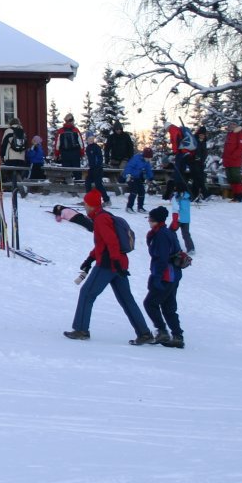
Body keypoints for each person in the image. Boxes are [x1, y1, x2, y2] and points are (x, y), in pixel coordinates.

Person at [64, 189, 154, 344]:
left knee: (87, 293)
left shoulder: (101, 219)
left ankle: (81, 329)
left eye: (86, 203)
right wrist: (90, 259)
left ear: (91, 205)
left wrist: (114, 262)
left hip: (108, 264)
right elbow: (103, 244)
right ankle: (144, 333)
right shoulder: (104, 217)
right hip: (118, 263)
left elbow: (111, 242)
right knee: (126, 299)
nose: (84, 205)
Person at [143, 206, 186, 348]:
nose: (148, 220)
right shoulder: (169, 232)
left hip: (166, 275)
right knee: (168, 306)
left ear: (155, 220)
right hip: (174, 274)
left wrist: (157, 277)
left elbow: (162, 258)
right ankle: (177, 336)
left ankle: (162, 331)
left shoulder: (160, 235)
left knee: (150, 303)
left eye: (150, 218)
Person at [122, 147, 153, 213]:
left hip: (137, 177)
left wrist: (150, 178)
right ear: (144, 156)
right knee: (134, 190)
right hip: (130, 176)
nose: (148, 159)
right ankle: (129, 207)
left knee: (142, 191)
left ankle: (140, 207)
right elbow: (129, 166)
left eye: (150, 158)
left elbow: (148, 170)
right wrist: (128, 174)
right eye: (147, 158)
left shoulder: (147, 162)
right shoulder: (136, 158)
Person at [222, 121, 242, 203]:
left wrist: (234, 156)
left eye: (233, 124)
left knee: (236, 177)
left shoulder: (239, 134)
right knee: (230, 178)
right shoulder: (229, 134)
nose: (231, 126)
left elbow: (241, 147)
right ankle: (235, 195)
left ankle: (239, 196)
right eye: (230, 125)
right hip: (228, 160)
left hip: (235, 160)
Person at [54, 113, 83, 180]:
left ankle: (67, 186)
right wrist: (81, 153)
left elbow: (57, 144)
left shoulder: (60, 131)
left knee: (66, 172)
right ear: (72, 121)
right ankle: (77, 185)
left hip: (65, 154)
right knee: (77, 171)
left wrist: (56, 154)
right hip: (75, 154)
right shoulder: (76, 130)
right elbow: (81, 143)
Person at [0, 117, 27, 185]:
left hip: (10, 156)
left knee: (10, 172)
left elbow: (4, 144)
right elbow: (26, 144)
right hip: (21, 157)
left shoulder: (8, 131)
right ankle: (19, 187)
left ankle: (20, 187)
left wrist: (2, 155)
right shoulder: (22, 131)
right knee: (17, 172)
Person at [84, 133, 109, 205]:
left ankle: (106, 200)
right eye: (89, 138)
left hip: (97, 169)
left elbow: (99, 158)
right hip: (91, 169)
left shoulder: (96, 147)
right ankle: (88, 200)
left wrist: (97, 166)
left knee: (98, 184)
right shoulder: (88, 148)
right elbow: (89, 159)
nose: (91, 140)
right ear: (87, 139)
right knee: (87, 183)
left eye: (92, 138)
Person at [189, 127, 210, 201]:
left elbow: (204, 153)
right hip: (194, 162)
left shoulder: (203, 142)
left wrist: (202, 159)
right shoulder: (195, 141)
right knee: (198, 179)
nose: (202, 136)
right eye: (201, 134)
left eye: (203, 135)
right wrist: (195, 157)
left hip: (201, 163)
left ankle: (193, 195)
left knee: (197, 179)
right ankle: (205, 193)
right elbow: (192, 151)